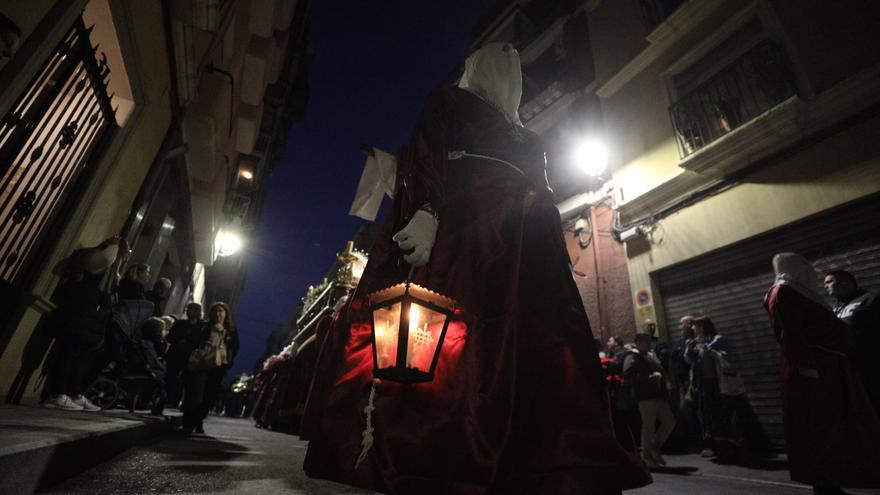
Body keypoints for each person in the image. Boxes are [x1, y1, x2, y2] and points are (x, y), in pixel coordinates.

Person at [303, 43, 650, 494]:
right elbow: (426, 156)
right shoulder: (448, 101)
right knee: (456, 342)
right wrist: (426, 212)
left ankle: (547, 457)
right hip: (467, 234)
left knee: (537, 345)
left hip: (527, 249)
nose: (506, 63)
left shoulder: (528, 136)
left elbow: (540, 189)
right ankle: (444, 452)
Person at [766, 253, 880, 495]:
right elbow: (790, 334)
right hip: (815, 372)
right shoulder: (784, 292)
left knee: (834, 427)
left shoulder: (800, 293)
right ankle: (825, 484)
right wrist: (807, 368)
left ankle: (832, 480)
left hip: (827, 368)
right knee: (820, 428)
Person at [43, 237, 121, 411]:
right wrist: (114, 245)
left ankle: (73, 392)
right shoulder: (87, 270)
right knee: (67, 356)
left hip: (88, 324)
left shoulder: (99, 280)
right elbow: (106, 259)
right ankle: (58, 393)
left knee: (79, 360)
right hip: (78, 321)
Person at [684, 316, 744, 461]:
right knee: (707, 416)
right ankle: (713, 446)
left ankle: (730, 447)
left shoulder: (717, 340)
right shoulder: (695, 343)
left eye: (695, 327)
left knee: (722, 415)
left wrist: (709, 350)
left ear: (702, 327)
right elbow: (688, 361)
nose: (693, 329)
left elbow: (728, 357)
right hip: (702, 384)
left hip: (719, 384)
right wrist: (689, 350)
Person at [824, 269, 880, 413]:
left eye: (829, 281)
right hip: (846, 374)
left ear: (845, 282)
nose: (825, 286)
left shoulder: (871, 300)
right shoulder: (834, 308)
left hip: (870, 372)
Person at [181, 301, 239, 434]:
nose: (218, 314)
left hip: (220, 365)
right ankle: (188, 422)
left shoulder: (231, 331)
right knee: (197, 393)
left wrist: (229, 360)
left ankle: (199, 420)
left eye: (221, 311)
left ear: (226, 314)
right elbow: (194, 341)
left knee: (210, 394)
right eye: (216, 311)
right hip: (203, 363)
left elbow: (234, 348)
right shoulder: (204, 326)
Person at [624, 333, 676, 468]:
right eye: (645, 342)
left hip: (658, 394)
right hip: (646, 396)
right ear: (638, 342)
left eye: (649, 341)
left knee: (669, 421)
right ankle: (646, 456)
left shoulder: (651, 355)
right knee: (648, 426)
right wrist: (647, 378)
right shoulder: (632, 356)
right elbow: (628, 374)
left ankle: (655, 447)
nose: (648, 344)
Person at [166, 303, 203, 407]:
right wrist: (178, 340)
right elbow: (169, 337)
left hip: (190, 357)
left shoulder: (201, 326)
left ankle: (177, 401)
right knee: (171, 377)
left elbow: (200, 342)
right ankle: (168, 399)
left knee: (185, 380)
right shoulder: (180, 323)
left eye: (193, 309)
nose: (190, 311)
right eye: (189, 309)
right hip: (175, 354)